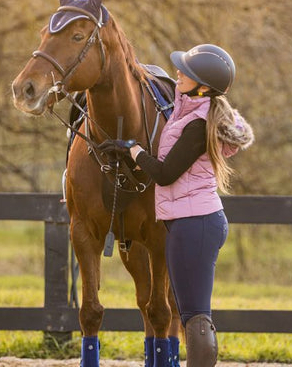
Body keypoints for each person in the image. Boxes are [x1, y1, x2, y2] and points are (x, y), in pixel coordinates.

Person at [101, 44, 254, 367]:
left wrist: (134, 153)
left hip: (194, 225)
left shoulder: (197, 125)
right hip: (189, 223)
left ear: (203, 85)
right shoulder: (188, 112)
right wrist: (129, 150)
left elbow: (166, 173)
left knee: (196, 318)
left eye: (187, 71)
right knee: (189, 315)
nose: (179, 72)